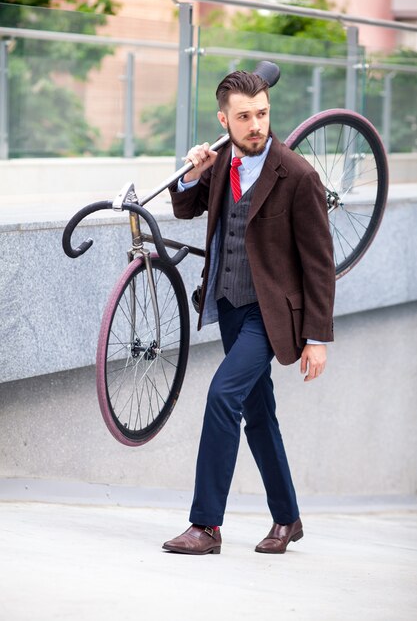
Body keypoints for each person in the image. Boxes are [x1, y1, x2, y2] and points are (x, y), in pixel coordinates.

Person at [162, 69, 335, 555]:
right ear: (225, 120)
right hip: (229, 304)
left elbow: (320, 265)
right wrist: (192, 173)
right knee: (259, 415)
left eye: (262, 113)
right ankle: (288, 517)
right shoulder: (220, 165)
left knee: (223, 396)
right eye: (244, 117)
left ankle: (206, 526)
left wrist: (318, 338)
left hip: (271, 314)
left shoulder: (298, 175)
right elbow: (186, 209)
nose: (256, 124)